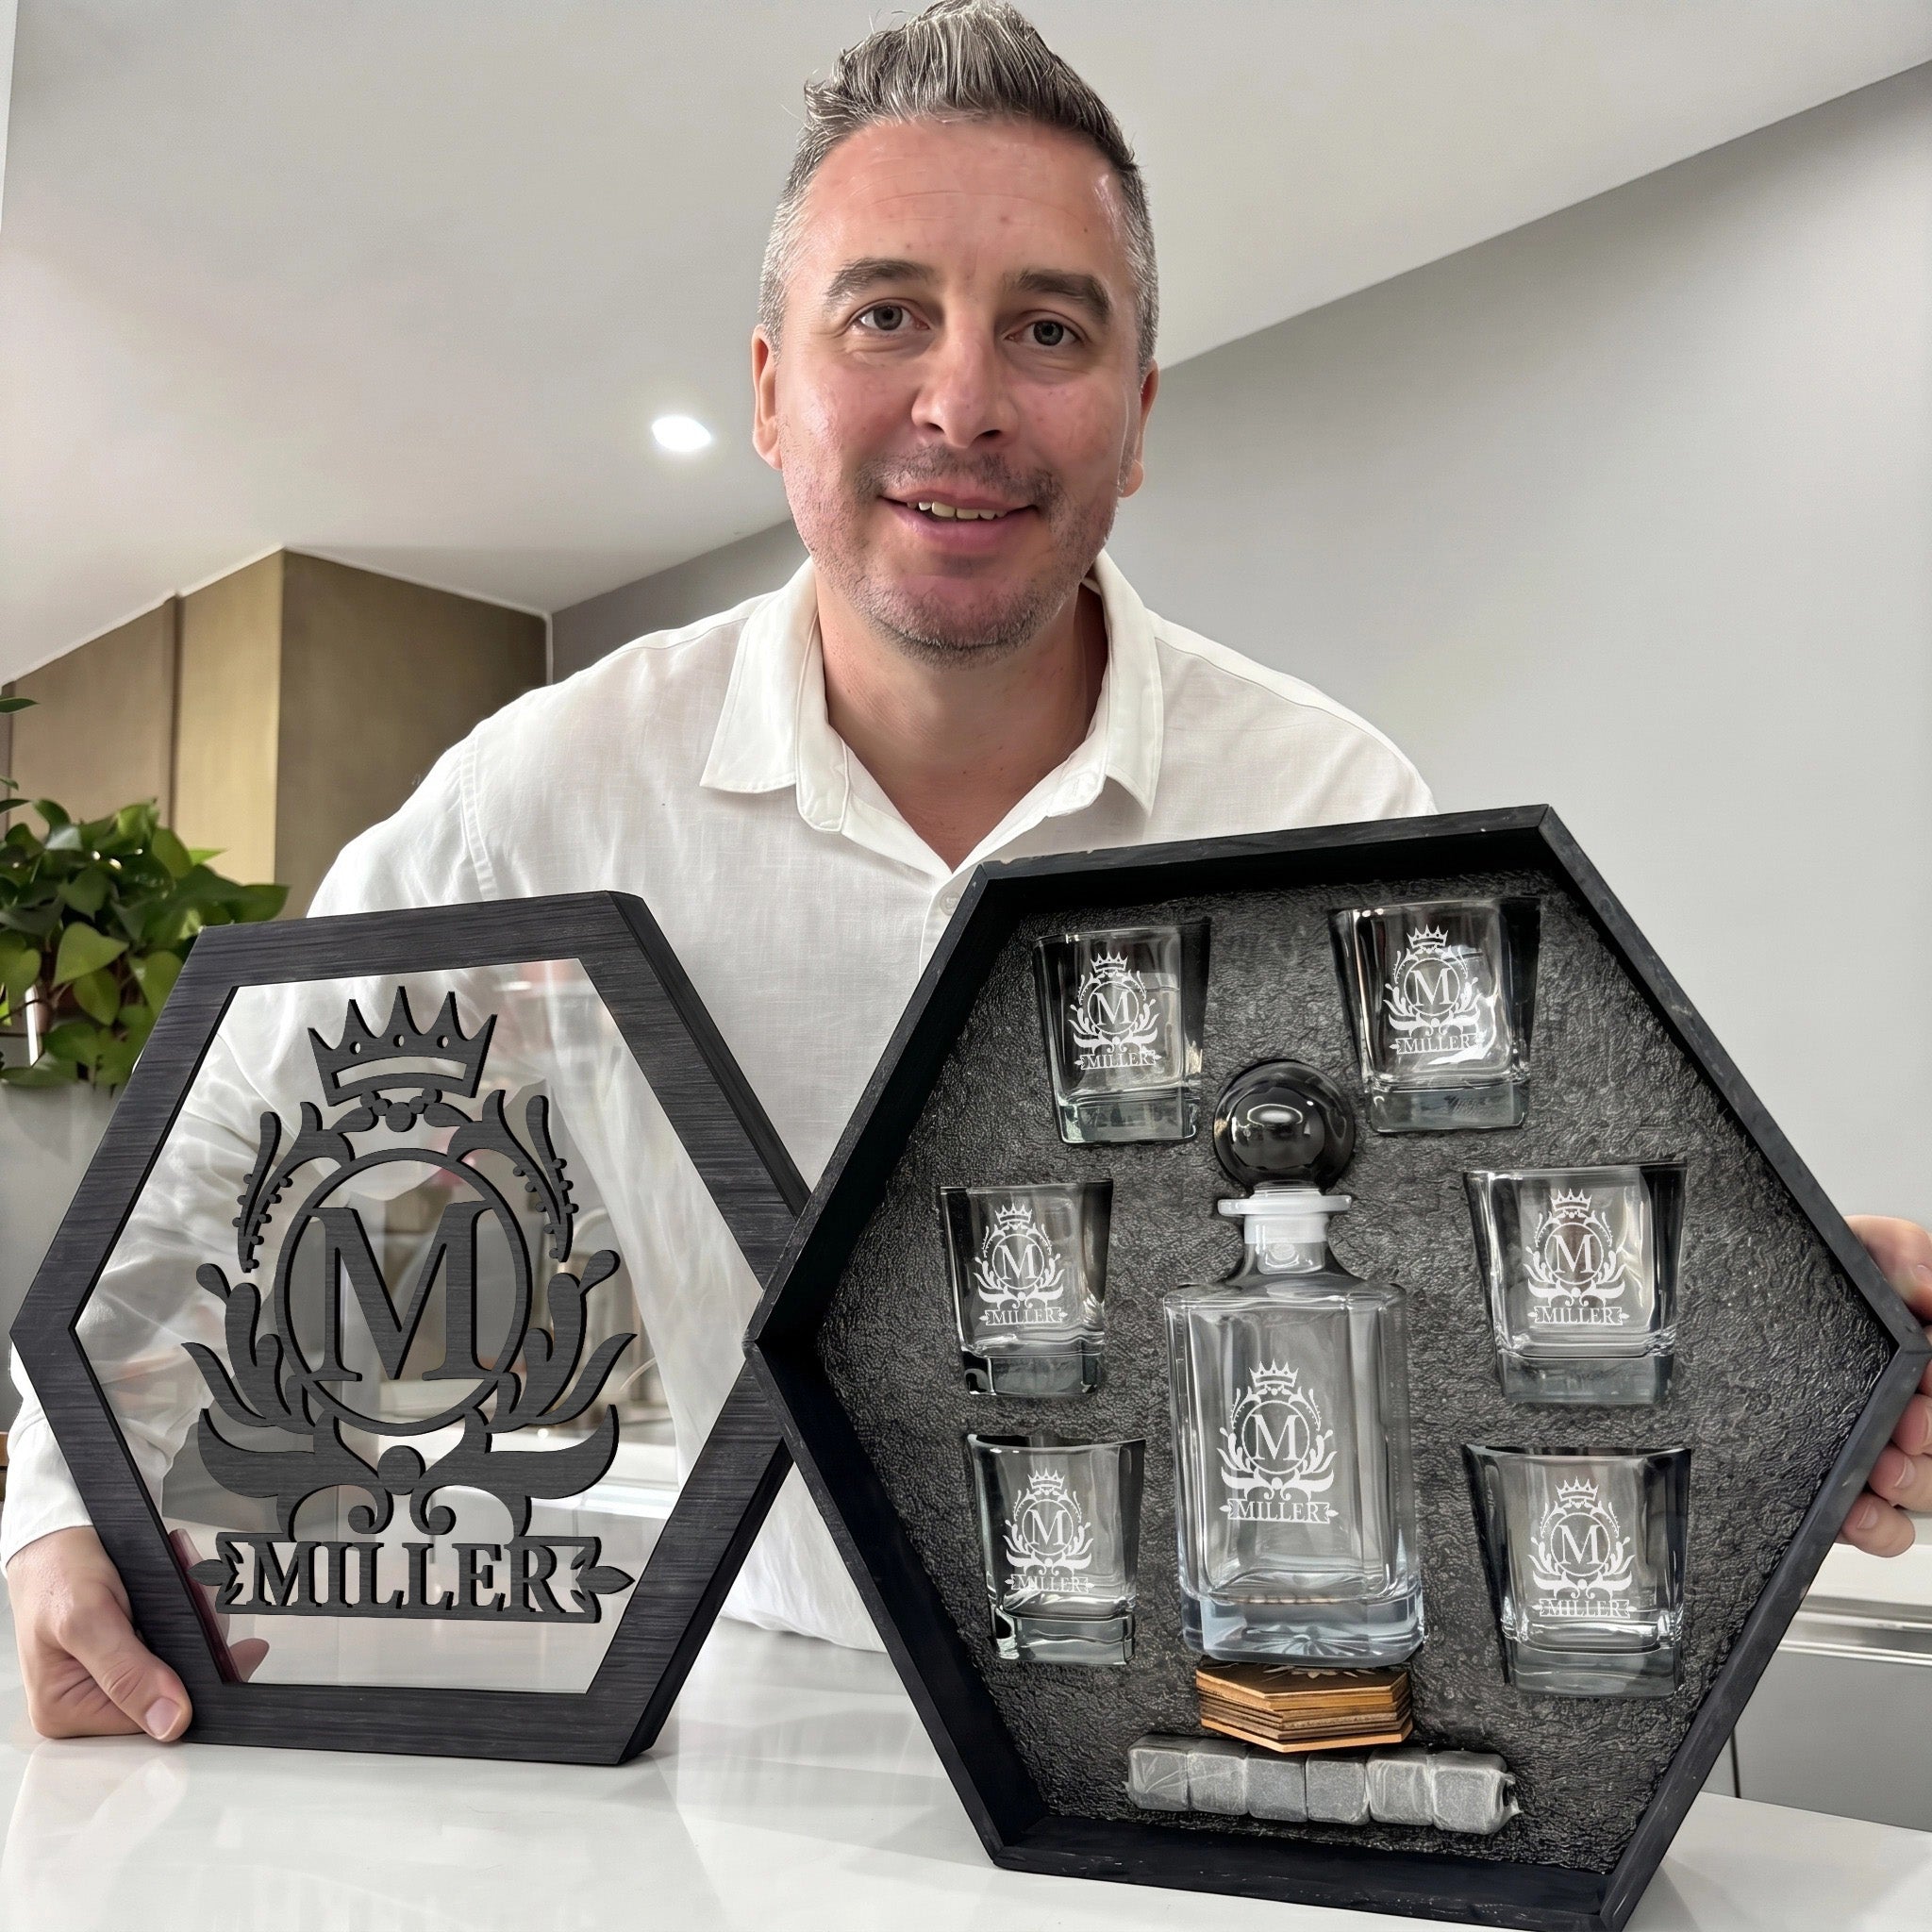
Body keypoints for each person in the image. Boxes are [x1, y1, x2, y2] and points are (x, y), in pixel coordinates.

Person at [8, 0, 1928, 1746]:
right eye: (885, 315)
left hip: (1231, 1739)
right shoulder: (547, 791)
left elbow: (1454, 1280)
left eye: (1050, 328)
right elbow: (220, 1149)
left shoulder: (1330, 798)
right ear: (772, 391)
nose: (964, 402)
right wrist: (59, 1504)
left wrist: (1786, 1344)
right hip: (755, 1729)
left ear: (1137, 419)